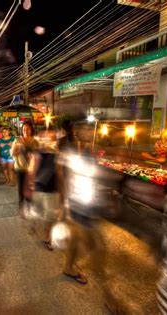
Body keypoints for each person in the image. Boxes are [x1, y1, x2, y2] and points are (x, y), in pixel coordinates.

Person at [56, 120, 111, 285]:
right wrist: (64, 202)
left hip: (88, 201)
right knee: (97, 246)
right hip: (76, 202)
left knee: (76, 239)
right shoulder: (70, 150)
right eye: (84, 129)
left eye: (90, 129)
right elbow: (60, 173)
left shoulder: (88, 151)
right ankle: (108, 294)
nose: (88, 132)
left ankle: (68, 266)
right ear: (76, 131)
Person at [27, 129, 60, 250]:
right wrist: (29, 186)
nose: (48, 141)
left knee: (50, 216)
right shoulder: (37, 154)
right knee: (38, 211)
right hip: (39, 188)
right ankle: (34, 224)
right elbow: (31, 171)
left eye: (51, 138)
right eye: (45, 138)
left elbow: (61, 173)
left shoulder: (58, 154)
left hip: (52, 189)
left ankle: (47, 237)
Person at [11, 121, 39, 209]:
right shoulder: (18, 140)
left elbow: (38, 153)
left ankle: (30, 205)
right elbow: (12, 153)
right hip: (21, 168)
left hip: (31, 169)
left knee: (31, 187)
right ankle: (21, 205)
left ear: (31, 130)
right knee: (21, 187)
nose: (25, 131)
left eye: (27, 129)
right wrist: (18, 149)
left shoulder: (35, 141)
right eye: (24, 129)